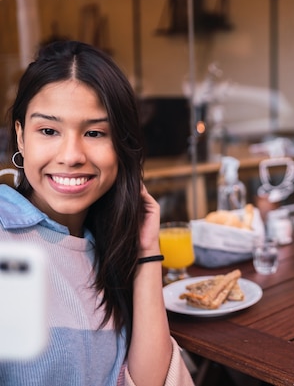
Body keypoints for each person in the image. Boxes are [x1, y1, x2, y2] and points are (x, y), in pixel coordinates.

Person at [0, 41, 193, 386]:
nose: (71, 155)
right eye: (48, 130)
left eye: (94, 133)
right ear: (21, 136)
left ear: (121, 145)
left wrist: (147, 249)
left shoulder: (105, 244)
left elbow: (148, 382)